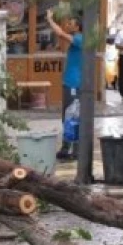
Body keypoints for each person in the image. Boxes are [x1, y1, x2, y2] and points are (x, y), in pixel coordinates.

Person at [46, 10, 83, 160]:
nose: (69, 25)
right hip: (72, 82)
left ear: (78, 26)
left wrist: (50, 19)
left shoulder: (80, 39)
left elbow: (60, 34)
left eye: (71, 23)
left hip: (73, 83)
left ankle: (71, 149)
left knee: (71, 115)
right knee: (71, 115)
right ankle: (70, 148)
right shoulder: (78, 39)